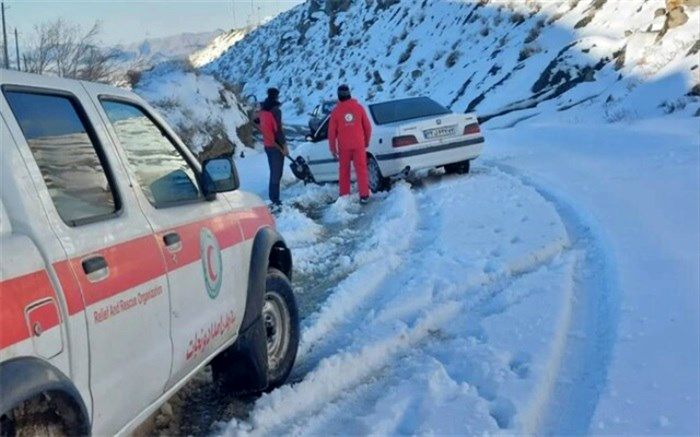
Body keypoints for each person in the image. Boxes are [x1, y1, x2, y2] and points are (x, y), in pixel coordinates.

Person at [328, 84, 372, 203]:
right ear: (349, 95)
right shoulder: (359, 108)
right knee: (361, 170)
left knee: (344, 171)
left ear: (339, 96)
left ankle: (344, 196)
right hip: (359, 144)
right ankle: (364, 195)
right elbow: (367, 127)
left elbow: (331, 133)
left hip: (344, 146)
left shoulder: (336, 111)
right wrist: (366, 141)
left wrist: (333, 148)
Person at [258, 87, 288, 207]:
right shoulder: (275, 111)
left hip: (267, 145)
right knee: (277, 172)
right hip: (276, 146)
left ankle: (273, 196)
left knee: (273, 171)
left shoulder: (263, 109)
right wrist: (284, 146)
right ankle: (275, 199)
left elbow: (256, 121)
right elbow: (278, 130)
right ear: (276, 96)